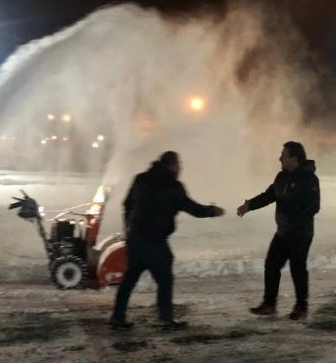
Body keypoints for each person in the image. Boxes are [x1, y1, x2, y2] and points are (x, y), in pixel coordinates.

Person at [110, 151, 225, 331]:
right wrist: (213, 211)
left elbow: (127, 205)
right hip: (155, 241)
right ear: (171, 166)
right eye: (178, 165)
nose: (180, 169)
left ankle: (117, 317)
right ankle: (165, 318)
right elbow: (192, 208)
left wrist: (128, 230)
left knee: (129, 279)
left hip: (136, 238)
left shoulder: (140, 179)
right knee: (165, 280)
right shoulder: (173, 186)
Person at [237, 141, 320, 321]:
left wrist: (296, 219)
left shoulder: (309, 179)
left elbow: (314, 206)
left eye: (284, 155)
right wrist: (249, 205)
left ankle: (301, 307)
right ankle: (269, 304)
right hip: (283, 232)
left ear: (294, 159)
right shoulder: (281, 177)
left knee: (297, 268)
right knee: (271, 265)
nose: (280, 158)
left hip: (301, 233)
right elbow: (269, 195)